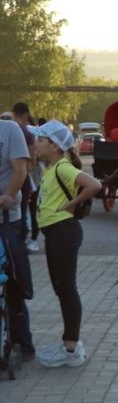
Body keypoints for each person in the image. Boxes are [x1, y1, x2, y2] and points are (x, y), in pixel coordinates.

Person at [31, 121, 101, 368]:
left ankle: (71, 348)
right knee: (62, 289)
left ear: (54, 145)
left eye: (40, 140)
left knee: (67, 289)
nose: (35, 144)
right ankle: (70, 344)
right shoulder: (51, 168)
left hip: (63, 232)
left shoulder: (62, 167)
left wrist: (72, 204)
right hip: (56, 233)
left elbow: (94, 184)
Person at [0, 115, 36, 362]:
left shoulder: (9, 130)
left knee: (12, 277)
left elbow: (20, 168)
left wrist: (9, 195)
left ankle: (24, 342)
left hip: (6, 217)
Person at [11, 102, 39, 254]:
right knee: (26, 208)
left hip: (27, 175)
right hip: (27, 175)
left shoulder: (25, 131)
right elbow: (32, 159)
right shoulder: (29, 131)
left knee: (25, 208)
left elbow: (31, 159)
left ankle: (27, 239)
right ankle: (28, 238)